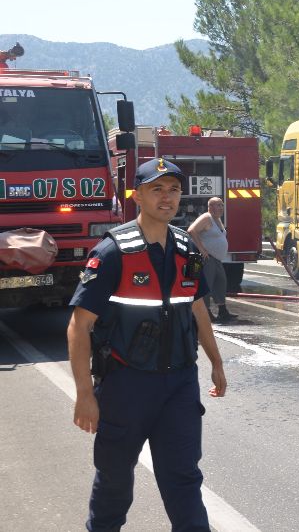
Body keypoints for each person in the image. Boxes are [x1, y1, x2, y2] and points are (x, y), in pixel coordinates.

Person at [66, 157, 228, 531]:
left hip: (180, 385)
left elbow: (197, 307)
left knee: (184, 480)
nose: (167, 197)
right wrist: (84, 393)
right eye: (157, 189)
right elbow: (78, 326)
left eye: (173, 190)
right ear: (137, 195)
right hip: (127, 385)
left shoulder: (187, 248)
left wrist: (216, 361)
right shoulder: (111, 254)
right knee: (115, 483)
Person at [188, 196, 237, 322]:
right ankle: (206, 312)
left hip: (217, 259)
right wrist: (202, 249)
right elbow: (192, 230)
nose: (220, 208)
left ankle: (223, 311)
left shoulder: (217, 219)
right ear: (210, 207)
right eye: (217, 205)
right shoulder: (206, 217)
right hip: (207, 258)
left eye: (221, 205)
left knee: (221, 283)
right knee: (207, 285)